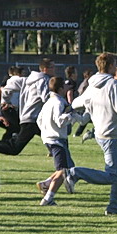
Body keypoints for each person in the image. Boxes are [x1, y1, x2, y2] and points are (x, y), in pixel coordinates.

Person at [64, 53, 117, 215]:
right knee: (113, 176)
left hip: (100, 132)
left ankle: (115, 209)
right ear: (109, 66)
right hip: (109, 135)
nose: (116, 67)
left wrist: (90, 105)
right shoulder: (112, 85)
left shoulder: (92, 83)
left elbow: (76, 103)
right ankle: (74, 173)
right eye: (114, 65)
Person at [35, 76, 87, 206]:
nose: (67, 88)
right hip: (57, 139)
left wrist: (46, 132)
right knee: (63, 171)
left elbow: (39, 120)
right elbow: (59, 121)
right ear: (60, 89)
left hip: (49, 138)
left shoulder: (48, 102)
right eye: (65, 86)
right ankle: (48, 199)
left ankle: (46, 183)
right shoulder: (59, 103)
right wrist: (70, 115)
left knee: (64, 169)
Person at [0, 58, 53, 156]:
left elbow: (7, 89)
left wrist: (5, 101)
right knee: (14, 148)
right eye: (52, 67)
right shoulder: (43, 79)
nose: (55, 69)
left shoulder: (28, 79)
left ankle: (55, 152)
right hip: (31, 119)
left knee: (50, 135)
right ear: (45, 69)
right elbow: (45, 97)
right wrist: (57, 97)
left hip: (32, 117)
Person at [0, 66, 22, 133]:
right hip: (7, 104)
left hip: (11, 104)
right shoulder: (9, 79)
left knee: (11, 125)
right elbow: (2, 88)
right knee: (0, 120)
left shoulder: (17, 80)